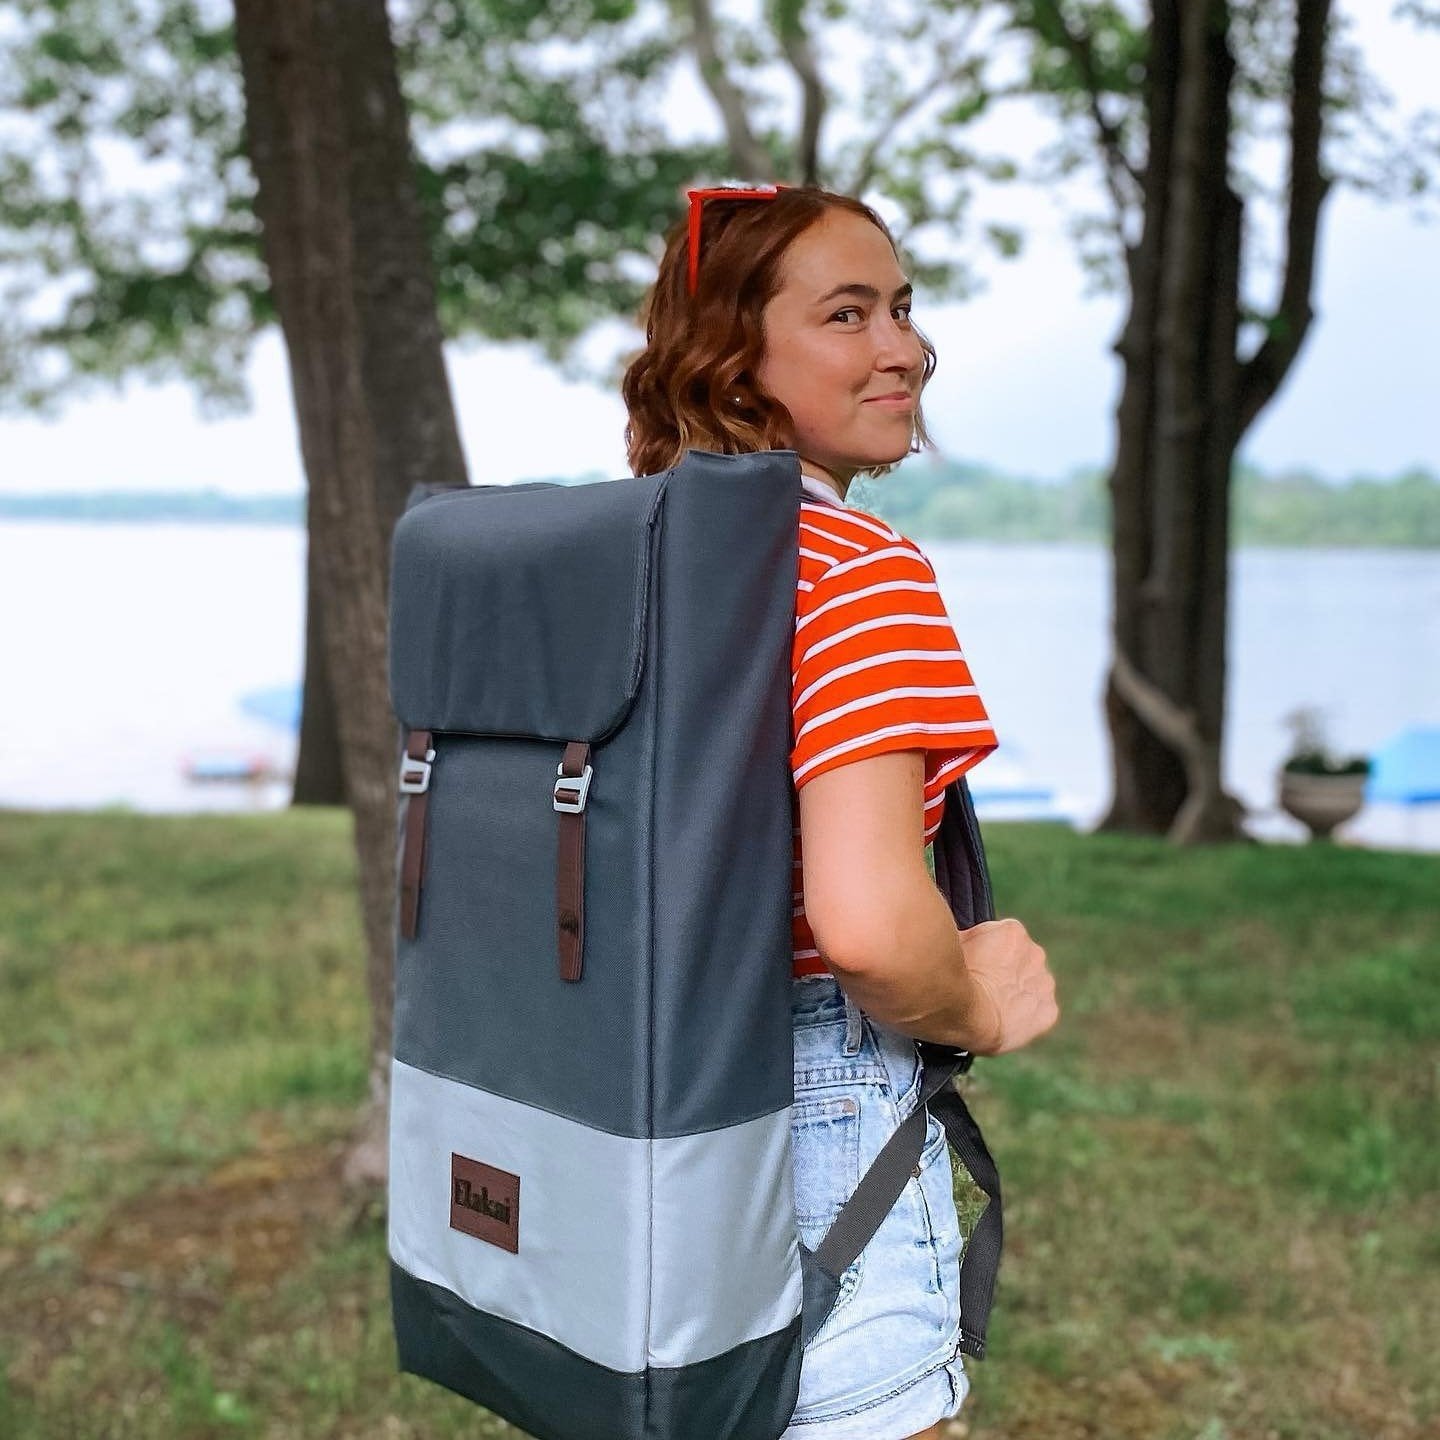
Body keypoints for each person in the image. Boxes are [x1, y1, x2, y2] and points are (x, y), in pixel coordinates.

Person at [621, 183, 1060, 1440]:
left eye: (904, 309)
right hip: (814, 1103)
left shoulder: (627, 552)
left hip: (629, 1088)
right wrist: (980, 1001)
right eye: (847, 314)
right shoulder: (856, 571)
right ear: (734, 359)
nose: (905, 349)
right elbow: (866, 926)